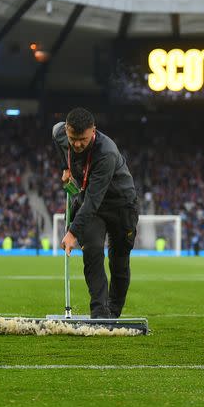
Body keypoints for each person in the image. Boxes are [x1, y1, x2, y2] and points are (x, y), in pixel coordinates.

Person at [53, 108, 139, 319]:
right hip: (94, 208)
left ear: (93, 131)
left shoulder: (106, 153)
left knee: (119, 260)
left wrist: (72, 232)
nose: (78, 144)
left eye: (83, 139)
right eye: (73, 139)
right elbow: (56, 136)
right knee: (92, 251)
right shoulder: (60, 134)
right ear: (67, 130)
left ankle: (114, 314)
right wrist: (65, 167)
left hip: (121, 205)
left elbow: (93, 199)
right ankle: (100, 313)